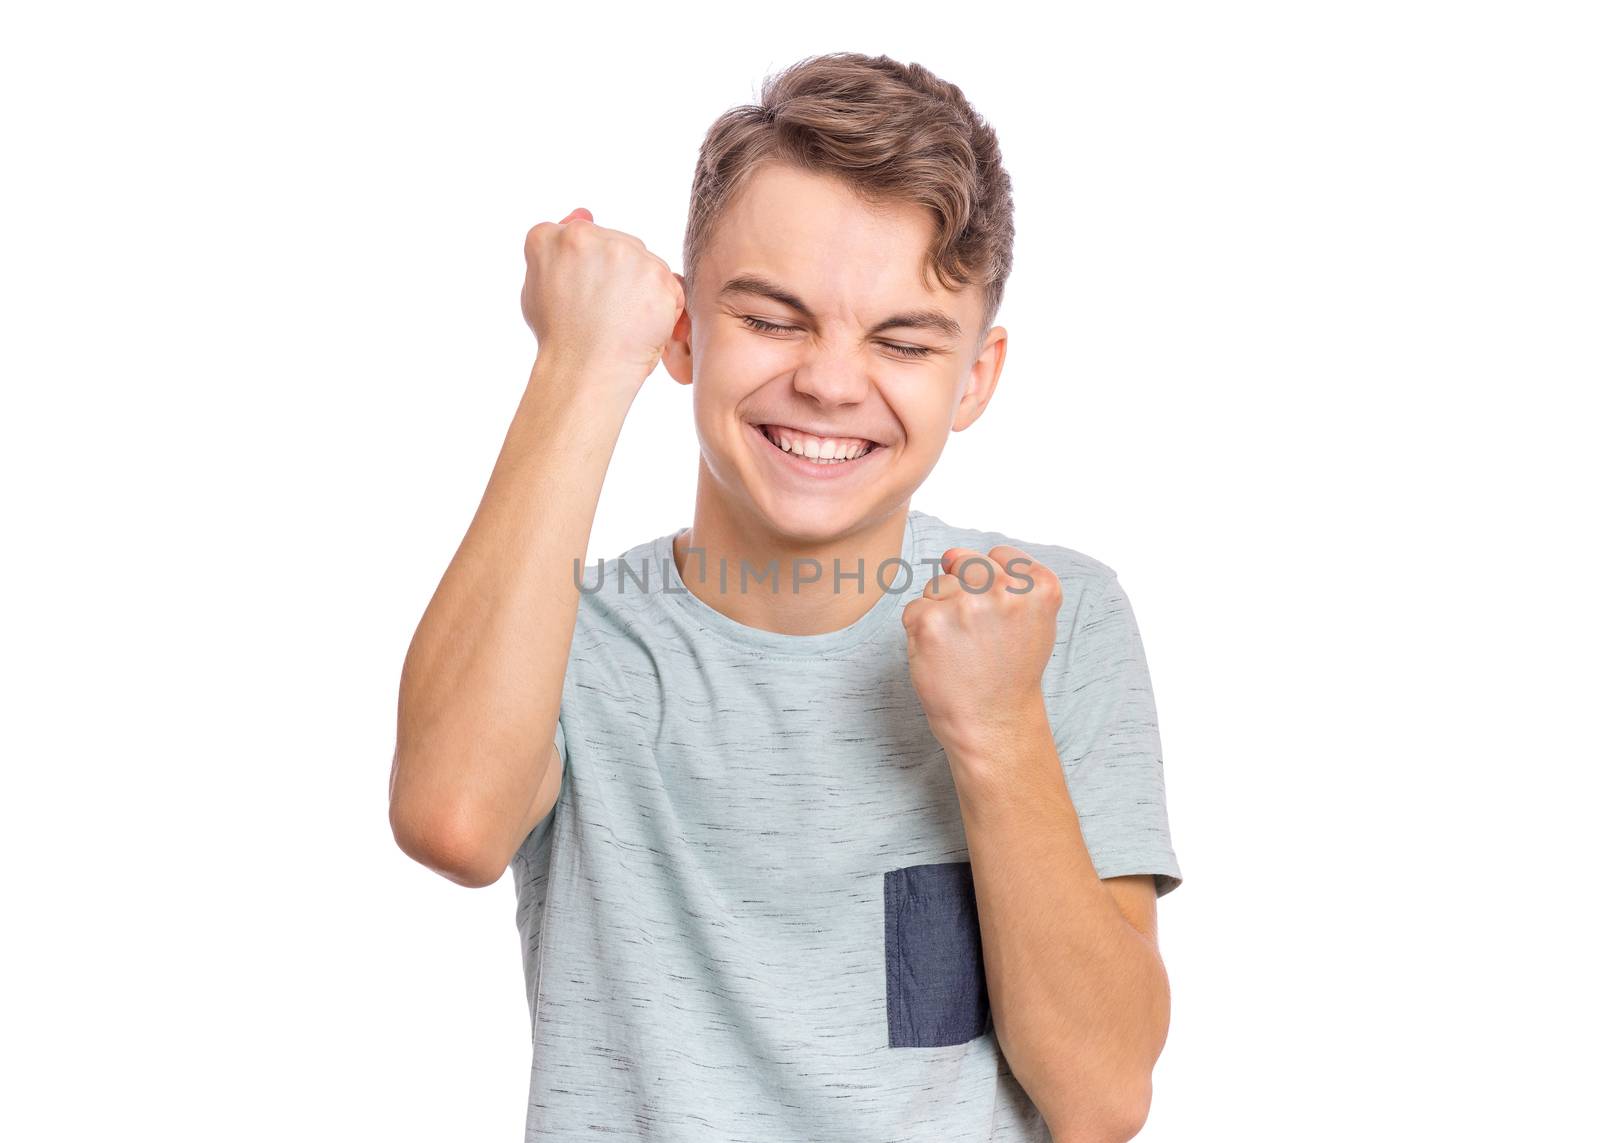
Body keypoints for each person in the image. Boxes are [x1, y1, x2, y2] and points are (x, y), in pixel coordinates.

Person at [390, 51, 1183, 1143]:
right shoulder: (566, 632)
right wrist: (578, 363)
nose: (829, 380)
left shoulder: (1050, 616)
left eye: (902, 341)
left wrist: (998, 733)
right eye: (771, 319)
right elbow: (451, 823)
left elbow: (1101, 1098)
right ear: (683, 329)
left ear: (976, 379)